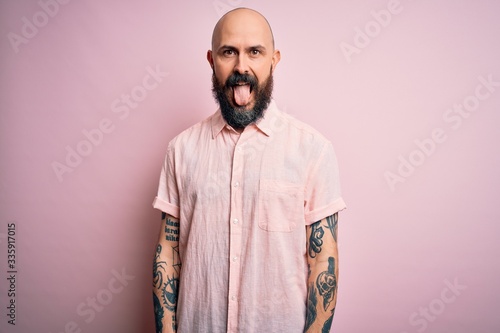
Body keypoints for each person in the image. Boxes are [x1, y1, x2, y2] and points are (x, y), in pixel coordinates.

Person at [152, 7, 346, 333]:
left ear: (274, 59)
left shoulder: (313, 150)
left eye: (255, 52)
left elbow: (323, 260)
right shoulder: (181, 150)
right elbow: (167, 253)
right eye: (229, 52)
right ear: (212, 60)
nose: (242, 66)